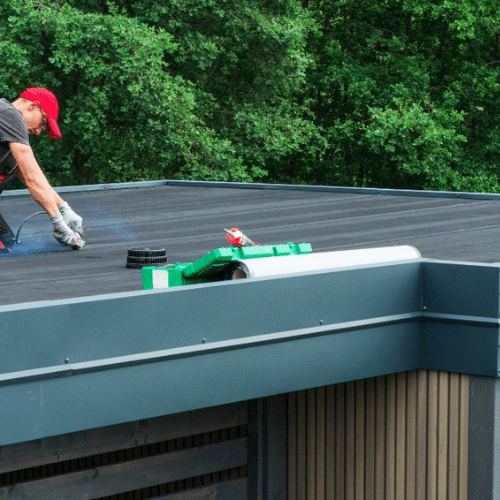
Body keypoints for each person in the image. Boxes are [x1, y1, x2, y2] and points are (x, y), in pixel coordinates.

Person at [0, 87, 84, 250]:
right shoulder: (10, 114)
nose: (39, 131)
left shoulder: (9, 138)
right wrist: (57, 220)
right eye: (43, 122)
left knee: (8, 244)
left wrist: (64, 209)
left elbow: (33, 177)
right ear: (33, 106)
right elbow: (33, 179)